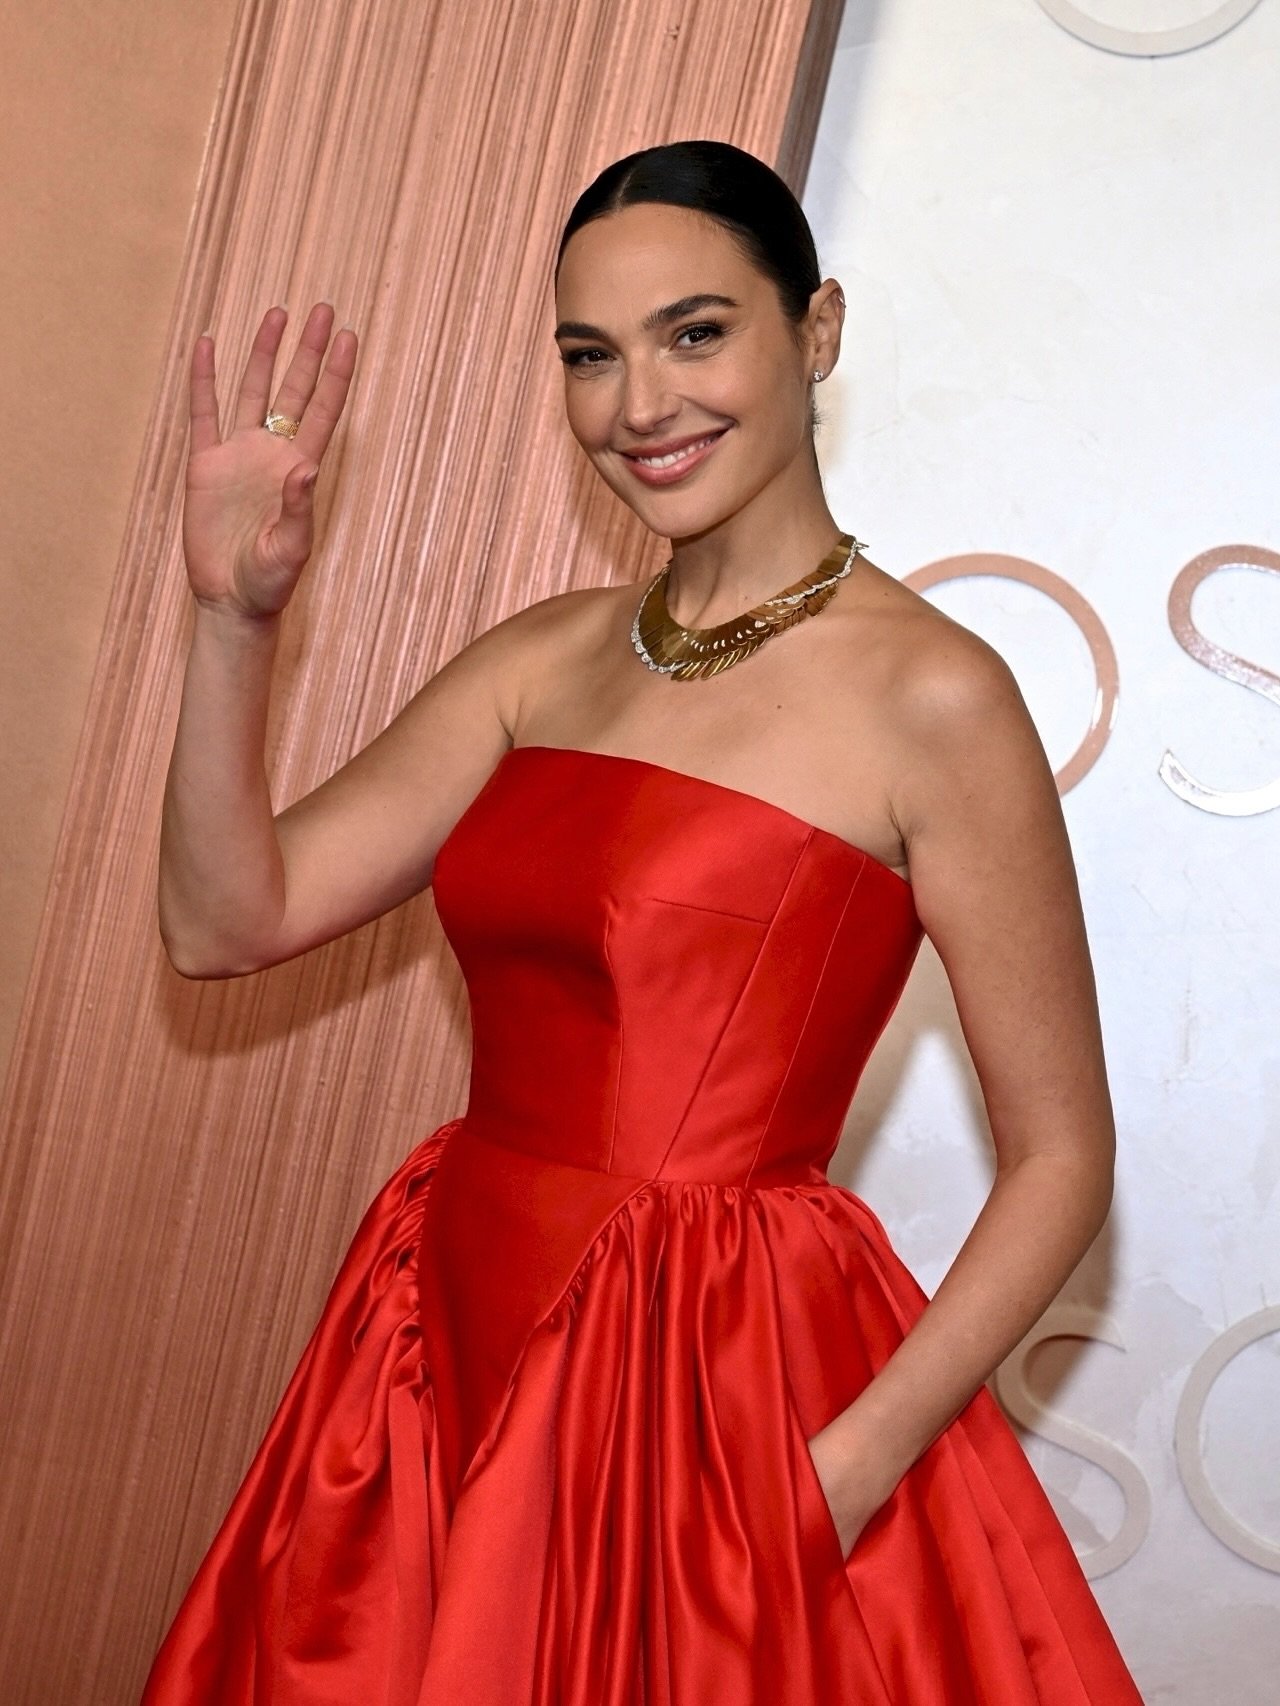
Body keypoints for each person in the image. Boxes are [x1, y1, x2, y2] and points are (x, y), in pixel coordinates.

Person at [141, 140, 1144, 1703]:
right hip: (441, 1318)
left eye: (697, 333)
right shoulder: (537, 661)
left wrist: (842, 1473)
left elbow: (1063, 1156)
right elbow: (225, 920)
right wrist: (233, 623)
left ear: (816, 330)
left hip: (708, 1384)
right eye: (591, 356)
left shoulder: (935, 697)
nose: (641, 404)